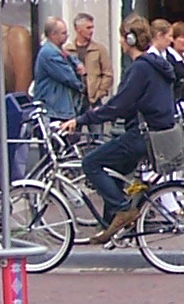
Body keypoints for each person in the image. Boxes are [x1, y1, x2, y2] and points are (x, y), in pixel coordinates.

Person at [57, 14, 176, 244]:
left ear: (130, 39)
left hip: (141, 135)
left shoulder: (140, 69)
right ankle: (111, 230)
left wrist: (81, 120)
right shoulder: (157, 65)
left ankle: (124, 211)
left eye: (122, 38)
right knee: (116, 173)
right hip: (157, 135)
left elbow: (118, 105)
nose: (121, 43)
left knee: (90, 163)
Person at [63, 13, 114, 121]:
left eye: (92, 27)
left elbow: (108, 73)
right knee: (73, 134)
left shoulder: (99, 49)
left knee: (97, 134)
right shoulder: (68, 50)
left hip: (93, 100)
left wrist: (100, 93)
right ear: (78, 29)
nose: (91, 31)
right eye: (88, 28)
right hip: (74, 100)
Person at [33, 17, 85, 121]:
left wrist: (78, 64)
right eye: (63, 33)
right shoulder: (49, 53)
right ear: (53, 35)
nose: (67, 36)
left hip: (60, 108)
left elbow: (71, 58)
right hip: (54, 110)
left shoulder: (58, 50)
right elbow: (68, 77)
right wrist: (81, 84)